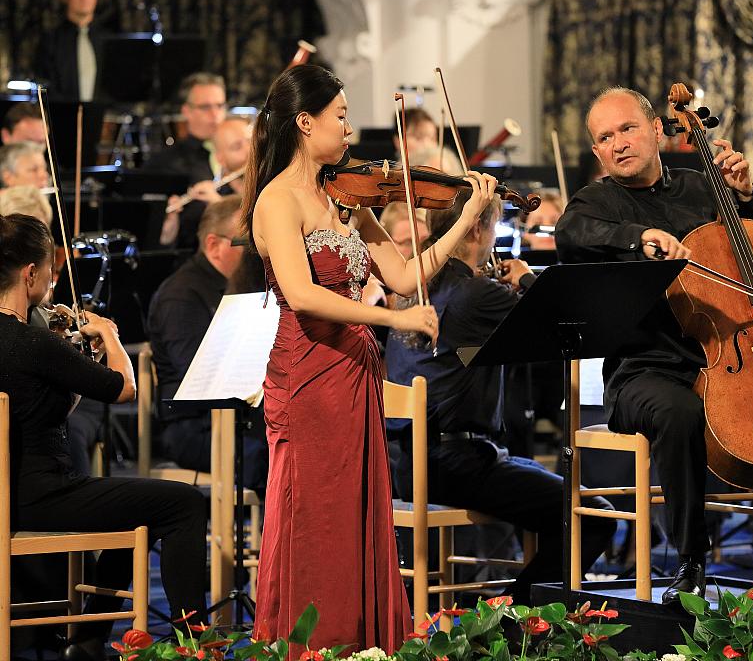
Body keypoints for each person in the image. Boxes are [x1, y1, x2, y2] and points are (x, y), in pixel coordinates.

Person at [555, 86, 753, 605]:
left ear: (658, 130)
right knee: (680, 412)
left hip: (737, 353)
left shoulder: (705, 189)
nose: (617, 144)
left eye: (627, 129)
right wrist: (641, 237)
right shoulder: (597, 203)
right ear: (596, 152)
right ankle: (691, 562)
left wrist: (747, 198)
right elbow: (572, 232)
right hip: (647, 371)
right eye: (604, 138)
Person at [243, 64, 496, 650]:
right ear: (306, 123)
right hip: (307, 375)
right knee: (315, 516)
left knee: (355, 510)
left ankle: (362, 643)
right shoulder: (278, 202)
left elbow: (405, 275)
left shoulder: (346, 198)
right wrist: (396, 318)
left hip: (354, 373)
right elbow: (304, 297)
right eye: (341, 117)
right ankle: (312, 643)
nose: (351, 130)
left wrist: (461, 219)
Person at [385, 193, 617, 605]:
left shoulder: (414, 287)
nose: (494, 239)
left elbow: (464, 350)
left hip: (409, 461)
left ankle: (513, 611)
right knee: (592, 516)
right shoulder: (476, 294)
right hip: (457, 464)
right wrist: (526, 277)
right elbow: (564, 318)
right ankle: (508, 617)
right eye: (493, 228)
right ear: (476, 228)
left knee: (550, 494)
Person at [0, 213, 207, 661]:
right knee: (184, 502)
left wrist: (76, 367)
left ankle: (91, 637)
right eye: (51, 274)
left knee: (127, 511)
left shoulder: (36, 345)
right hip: (39, 494)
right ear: (30, 273)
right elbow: (124, 389)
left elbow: (44, 408)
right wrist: (110, 338)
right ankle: (199, 646)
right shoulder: (33, 343)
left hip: (12, 494)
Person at [147, 195, 268, 492]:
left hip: (239, 419)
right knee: (277, 454)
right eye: (247, 244)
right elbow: (196, 371)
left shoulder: (251, 285)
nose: (257, 253)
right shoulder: (181, 294)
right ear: (214, 245)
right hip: (194, 428)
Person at [148, 72, 228, 248]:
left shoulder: (243, 153)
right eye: (206, 107)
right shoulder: (165, 163)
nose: (216, 115)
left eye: (220, 105)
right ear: (187, 111)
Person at [34, 0, 105, 102]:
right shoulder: (51, 40)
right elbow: (45, 85)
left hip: (103, 117)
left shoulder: (106, 39)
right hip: (62, 116)